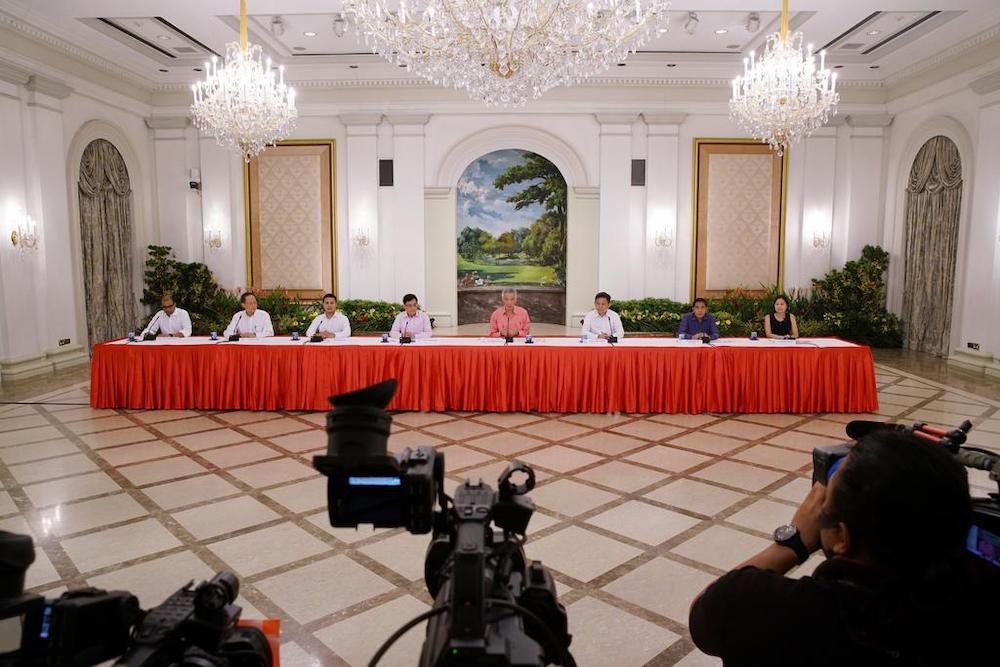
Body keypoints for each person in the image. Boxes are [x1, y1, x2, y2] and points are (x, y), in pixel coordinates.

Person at [689, 429, 1000, 666]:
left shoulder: (769, 609)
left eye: (828, 501)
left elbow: (704, 615)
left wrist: (793, 543)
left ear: (841, 536)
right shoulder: (982, 599)